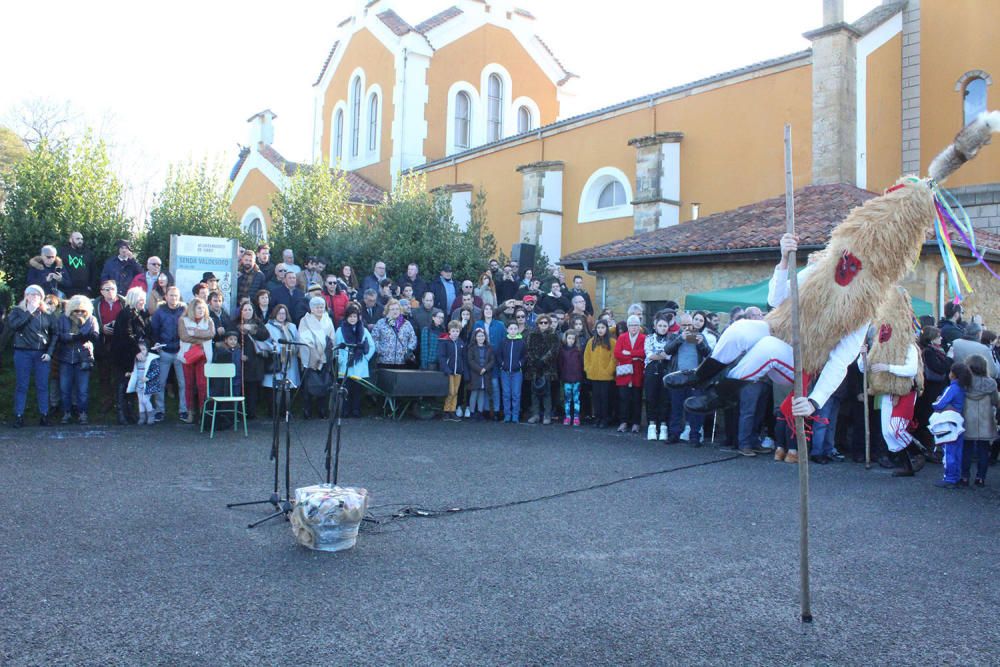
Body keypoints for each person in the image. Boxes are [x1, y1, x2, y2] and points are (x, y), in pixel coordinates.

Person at [2, 285, 57, 427]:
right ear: (25, 296)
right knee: (22, 385)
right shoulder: (17, 311)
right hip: (22, 352)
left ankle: (44, 414)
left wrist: (49, 353)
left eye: (37, 295)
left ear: (41, 298)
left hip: (41, 353)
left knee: (43, 385)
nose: (33, 297)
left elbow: (54, 334)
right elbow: (15, 326)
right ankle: (19, 415)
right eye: (31, 294)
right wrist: (29, 313)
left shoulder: (47, 314)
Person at [55, 294, 99, 424]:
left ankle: (83, 413)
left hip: (83, 357)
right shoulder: (63, 319)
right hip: (66, 357)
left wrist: (81, 335)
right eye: (76, 310)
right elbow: (59, 336)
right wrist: (73, 337)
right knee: (64, 388)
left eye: (82, 310)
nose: (79, 313)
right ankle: (66, 412)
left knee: (83, 389)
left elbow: (95, 335)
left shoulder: (91, 319)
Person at [112, 287, 152, 424]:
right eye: (140, 298)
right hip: (124, 355)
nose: (143, 301)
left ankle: (130, 412)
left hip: (136, 354)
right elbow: (126, 335)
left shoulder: (142, 314)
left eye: (144, 299)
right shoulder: (126, 314)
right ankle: (121, 414)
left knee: (132, 385)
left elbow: (147, 332)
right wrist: (137, 351)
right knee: (122, 384)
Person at [150, 286, 187, 422]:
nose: (173, 298)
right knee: (160, 383)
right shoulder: (159, 312)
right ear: (166, 297)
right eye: (171, 295)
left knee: (183, 384)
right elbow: (154, 330)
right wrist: (157, 344)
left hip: (180, 351)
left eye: (176, 295)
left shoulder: (184, 311)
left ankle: (183, 410)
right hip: (164, 351)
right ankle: (159, 410)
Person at [931, 362, 971, 489]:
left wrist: (936, 402)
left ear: (953, 374)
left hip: (949, 422)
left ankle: (949, 478)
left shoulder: (952, 387)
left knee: (949, 451)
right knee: (957, 451)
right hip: (958, 421)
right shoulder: (962, 387)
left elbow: (939, 404)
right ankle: (956, 476)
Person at [960, 354, 997, 487]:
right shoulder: (991, 383)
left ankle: (964, 477)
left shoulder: (964, 383)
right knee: (983, 451)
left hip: (967, 419)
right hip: (985, 420)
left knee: (967, 450)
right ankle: (980, 478)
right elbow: (995, 401)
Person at [334, 304, 376, 418]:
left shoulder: (364, 330)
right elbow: (337, 346)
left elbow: (372, 346)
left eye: (355, 316)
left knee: (357, 390)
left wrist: (366, 358)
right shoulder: (340, 330)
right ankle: (345, 410)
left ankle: (356, 410)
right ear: (346, 317)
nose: (353, 319)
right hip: (346, 364)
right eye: (350, 316)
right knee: (346, 389)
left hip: (360, 364)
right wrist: (342, 361)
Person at [177, 297, 215, 423]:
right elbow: (184, 337)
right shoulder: (183, 320)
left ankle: (202, 413)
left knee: (202, 384)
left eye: (203, 308)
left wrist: (195, 332)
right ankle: (190, 413)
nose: (202, 310)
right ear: (192, 308)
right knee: (189, 384)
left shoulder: (208, 320)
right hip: (188, 356)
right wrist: (201, 337)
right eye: (199, 308)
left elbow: (211, 334)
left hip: (203, 356)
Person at [298, 297, 336, 419]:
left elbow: (332, 337)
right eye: (317, 307)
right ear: (311, 308)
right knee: (309, 384)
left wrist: (328, 350)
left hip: (325, 355)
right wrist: (315, 353)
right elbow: (304, 338)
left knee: (325, 383)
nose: (319, 309)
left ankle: (322, 410)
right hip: (311, 356)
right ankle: (307, 410)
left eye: (321, 307)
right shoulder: (305, 320)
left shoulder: (327, 320)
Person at [92, 279, 126, 416]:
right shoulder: (95, 304)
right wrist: (101, 328)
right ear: (101, 291)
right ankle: (107, 401)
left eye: (112, 288)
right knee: (104, 375)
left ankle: (121, 402)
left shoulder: (124, 302)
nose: (110, 291)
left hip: (121, 344)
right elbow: (91, 321)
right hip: (103, 343)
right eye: (106, 289)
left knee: (121, 375)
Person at [234, 300, 270, 419]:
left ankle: (251, 412)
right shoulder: (235, 323)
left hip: (255, 360)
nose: (247, 312)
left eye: (250, 309)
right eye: (245, 309)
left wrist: (252, 329)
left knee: (253, 388)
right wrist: (239, 353)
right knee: (240, 386)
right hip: (240, 359)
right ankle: (239, 412)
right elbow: (230, 339)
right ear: (241, 311)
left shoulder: (258, 322)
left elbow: (265, 335)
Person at [525, 314, 560, 425]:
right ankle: (535, 415)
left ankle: (547, 415)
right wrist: (536, 361)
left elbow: (554, 351)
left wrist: (543, 361)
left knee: (547, 392)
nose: (543, 325)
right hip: (534, 368)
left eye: (546, 323)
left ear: (549, 324)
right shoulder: (532, 335)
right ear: (538, 324)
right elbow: (529, 349)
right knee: (534, 392)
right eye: (541, 323)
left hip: (547, 368)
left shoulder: (553, 335)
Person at [614, 315, 646, 434]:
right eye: (631, 325)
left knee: (636, 399)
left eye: (636, 325)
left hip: (637, 373)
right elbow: (617, 353)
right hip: (624, 372)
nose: (634, 327)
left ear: (639, 326)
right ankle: (623, 422)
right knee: (623, 398)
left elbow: (644, 353)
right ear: (628, 326)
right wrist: (634, 357)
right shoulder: (622, 337)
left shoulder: (644, 338)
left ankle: (636, 423)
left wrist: (629, 353)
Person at [643, 314, 672, 442]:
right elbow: (650, 355)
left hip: (666, 370)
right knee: (651, 397)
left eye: (665, 326)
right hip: (651, 370)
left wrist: (660, 355)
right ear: (655, 327)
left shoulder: (672, 339)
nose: (662, 328)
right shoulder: (649, 338)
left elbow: (671, 356)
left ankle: (664, 426)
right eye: (660, 325)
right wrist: (664, 354)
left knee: (664, 398)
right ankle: (652, 425)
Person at [585, 320, 616, 428]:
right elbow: (587, 357)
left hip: (606, 376)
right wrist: (588, 369)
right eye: (598, 328)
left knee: (606, 398)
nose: (600, 330)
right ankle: (597, 417)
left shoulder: (612, 342)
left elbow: (614, 358)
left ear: (606, 329)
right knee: (596, 398)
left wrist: (609, 370)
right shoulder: (591, 341)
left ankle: (605, 418)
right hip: (594, 375)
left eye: (602, 328)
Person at [372, 299, 416, 368]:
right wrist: (380, 350)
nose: (395, 311)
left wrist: (408, 350)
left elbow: (413, 339)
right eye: (392, 309)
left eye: (397, 309)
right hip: (384, 361)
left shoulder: (407, 324)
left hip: (402, 362)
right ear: (387, 311)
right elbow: (374, 338)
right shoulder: (381, 323)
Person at [437, 321, 467, 422]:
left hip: (458, 371)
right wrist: (446, 369)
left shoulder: (461, 343)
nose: (455, 333)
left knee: (456, 392)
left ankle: (452, 411)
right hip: (449, 372)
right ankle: (446, 410)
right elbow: (441, 357)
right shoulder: (444, 342)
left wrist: (462, 369)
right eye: (453, 331)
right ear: (449, 331)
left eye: (457, 331)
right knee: (450, 392)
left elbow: (463, 357)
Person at [126, 340, 161, 425]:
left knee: (145, 400)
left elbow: (156, 370)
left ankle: (151, 415)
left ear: (147, 349)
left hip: (148, 384)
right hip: (139, 383)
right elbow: (135, 371)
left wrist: (148, 377)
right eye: (139, 350)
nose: (141, 351)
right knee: (140, 401)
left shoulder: (152, 359)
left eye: (143, 349)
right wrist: (131, 374)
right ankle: (142, 417)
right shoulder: (136, 360)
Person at [499, 320, 526, 423]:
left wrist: (519, 364)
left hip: (517, 373)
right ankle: (507, 415)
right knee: (506, 394)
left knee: (516, 394)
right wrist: (502, 364)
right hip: (505, 372)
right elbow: (498, 355)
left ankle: (515, 415)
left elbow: (524, 356)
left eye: (515, 328)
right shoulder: (503, 341)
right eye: (511, 328)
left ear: (518, 330)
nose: (513, 331)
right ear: (507, 330)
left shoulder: (521, 342)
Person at [466, 327, 495, 421]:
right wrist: (479, 369)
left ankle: (480, 412)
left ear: (485, 337)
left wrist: (485, 369)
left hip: (485, 374)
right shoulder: (471, 348)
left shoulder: (489, 348)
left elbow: (492, 360)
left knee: (482, 393)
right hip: (475, 373)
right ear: (475, 337)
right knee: (474, 393)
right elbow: (470, 361)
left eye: (482, 336)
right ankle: (472, 412)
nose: (481, 338)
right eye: (478, 336)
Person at [59, 231, 98, 298]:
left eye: (81, 239)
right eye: (77, 239)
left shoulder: (88, 253)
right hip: (67, 290)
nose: (80, 241)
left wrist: (91, 286)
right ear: (70, 240)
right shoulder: (62, 252)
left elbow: (94, 271)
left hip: (84, 291)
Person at [558, 330, 584, 426]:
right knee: (567, 399)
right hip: (566, 378)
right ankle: (568, 416)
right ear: (566, 338)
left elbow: (581, 364)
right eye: (569, 338)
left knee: (576, 399)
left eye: (573, 338)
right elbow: (560, 364)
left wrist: (581, 376)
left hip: (577, 378)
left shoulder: (578, 350)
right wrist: (562, 375)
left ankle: (576, 417)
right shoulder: (562, 350)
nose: (571, 340)